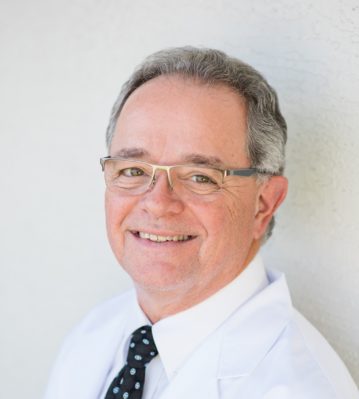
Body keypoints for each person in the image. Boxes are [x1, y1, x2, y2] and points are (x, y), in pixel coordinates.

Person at [44, 47, 358, 399]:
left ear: (263, 203)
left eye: (200, 177)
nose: (157, 203)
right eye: (133, 170)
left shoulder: (300, 388)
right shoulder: (94, 335)